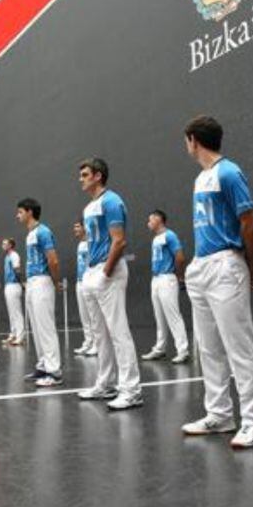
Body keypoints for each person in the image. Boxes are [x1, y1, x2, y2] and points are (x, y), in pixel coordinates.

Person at [181, 115, 253, 449]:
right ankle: (219, 414)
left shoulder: (229, 172)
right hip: (202, 267)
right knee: (209, 347)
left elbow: (249, 223)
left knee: (240, 346)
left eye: (186, 140)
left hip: (226, 264)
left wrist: (247, 265)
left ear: (193, 140)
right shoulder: (201, 178)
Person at [76, 158, 143, 410]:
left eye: (85, 174)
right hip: (93, 273)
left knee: (118, 332)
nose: (80, 179)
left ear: (98, 176)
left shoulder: (112, 201)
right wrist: (92, 274)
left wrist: (105, 273)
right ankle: (105, 383)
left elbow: (119, 241)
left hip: (109, 272)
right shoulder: (89, 207)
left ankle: (132, 389)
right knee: (100, 334)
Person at [17, 198, 64, 387]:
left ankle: (54, 372)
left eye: (20, 212)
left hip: (43, 281)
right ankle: (43, 366)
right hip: (32, 283)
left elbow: (53, 260)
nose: (17, 215)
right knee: (36, 328)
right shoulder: (30, 234)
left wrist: (55, 282)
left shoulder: (44, 232)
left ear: (29, 212)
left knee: (46, 327)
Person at [142, 209, 191, 364]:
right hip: (155, 280)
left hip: (167, 278)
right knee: (159, 316)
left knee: (173, 316)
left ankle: (183, 351)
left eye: (150, 220)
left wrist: (179, 276)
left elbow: (180, 257)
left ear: (159, 219)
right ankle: (160, 348)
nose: (148, 223)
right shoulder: (156, 239)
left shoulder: (170, 235)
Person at [72, 220, 96, 357]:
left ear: (84, 228)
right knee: (84, 316)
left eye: (77, 226)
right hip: (79, 282)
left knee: (93, 315)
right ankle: (88, 342)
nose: (75, 229)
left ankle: (97, 344)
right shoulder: (80, 244)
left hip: (89, 281)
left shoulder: (91, 243)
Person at [0, 238, 25, 346]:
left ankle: (20, 337)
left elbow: (17, 270)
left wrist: (22, 282)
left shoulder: (14, 255)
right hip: (8, 285)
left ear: (10, 245)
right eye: (3, 243)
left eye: (5, 243)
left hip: (14, 285)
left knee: (16, 312)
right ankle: (13, 334)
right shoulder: (7, 257)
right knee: (11, 312)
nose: (3, 245)